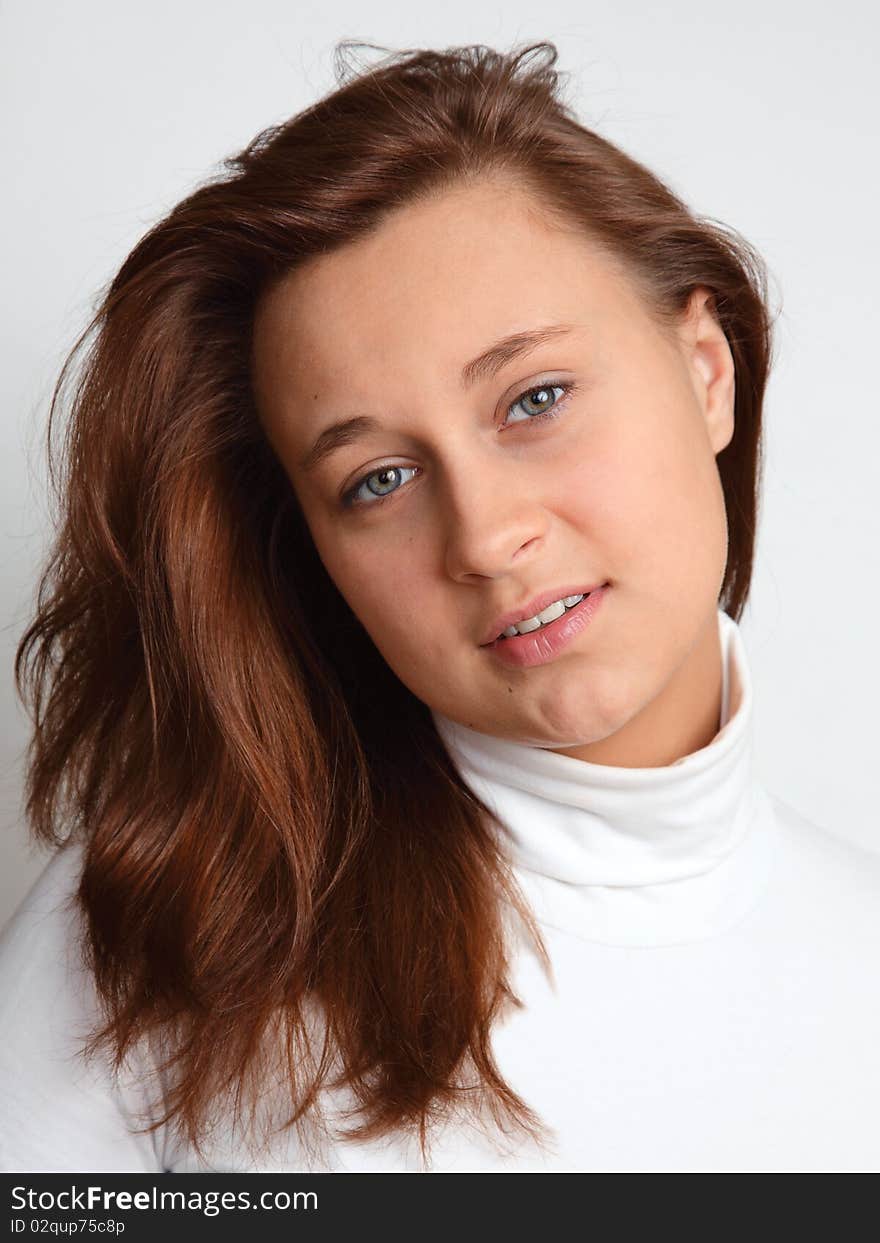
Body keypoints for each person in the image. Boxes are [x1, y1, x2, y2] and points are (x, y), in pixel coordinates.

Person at [1, 40, 878, 1176]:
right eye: (377, 479)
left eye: (536, 398)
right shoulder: (179, 920)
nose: (483, 536)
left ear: (705, 366)